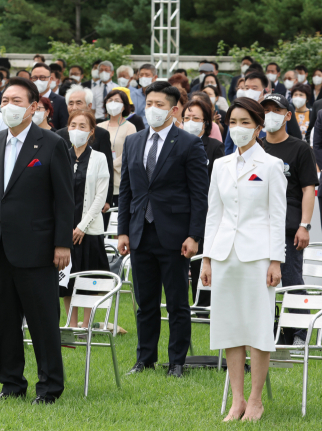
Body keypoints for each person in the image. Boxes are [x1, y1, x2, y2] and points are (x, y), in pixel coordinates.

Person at [0, 77, 74, 405]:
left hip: (37, 247)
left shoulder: (51, 144)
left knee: (43, 322)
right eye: (6, 100)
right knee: (5, 320)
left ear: (33, 108)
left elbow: (64, 199)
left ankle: (49, 387)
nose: (9, 106)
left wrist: (62, 243)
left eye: (18, 101)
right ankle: (11, 383)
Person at [201, 97, 287, 422]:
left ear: (259, 127)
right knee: (230, 327)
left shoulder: (271, 166)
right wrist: (207, 259)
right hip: (224, 256)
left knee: (257, 327)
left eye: (245, 123)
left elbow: (277, 217)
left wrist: (276, 261)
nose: (238, 128)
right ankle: (236, 400)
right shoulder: (220, 166)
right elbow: (214, 214)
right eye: (233, 122)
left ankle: (255, 400)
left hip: (258, 258)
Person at [117, 81, 208, 378]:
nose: (151, 109)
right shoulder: (134, 141)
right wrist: (122, 231)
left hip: (175, 235)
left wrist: (194, 235)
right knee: (145, 302)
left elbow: (199, 195)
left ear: (173, 109)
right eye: (149, 103)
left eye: (158, 104)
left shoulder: (188, 143)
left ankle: (177, 361)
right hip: (140, 231)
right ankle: (145, 358)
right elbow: (127, 190)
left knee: (177, 302)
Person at [261, 93, 318, 348]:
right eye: (266, 109)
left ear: (287, 115)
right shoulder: (256, 146)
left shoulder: (300, 148)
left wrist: (304, 225)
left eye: (276, 109)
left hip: (288, 226)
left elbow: (308, 189)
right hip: (258, 225)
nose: (270, 114)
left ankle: (300, 333)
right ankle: (268, 330)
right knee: (260, 280)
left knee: (292, 279)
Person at [61, 110, 111, 328]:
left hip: (89, 230)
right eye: (73, 125)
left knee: (88, 279)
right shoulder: (61, 154)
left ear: (91, 132)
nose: (76, 130)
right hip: (64, 228)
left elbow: (100, 197)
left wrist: (81, 226)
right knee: (66, 280)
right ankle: (71, 323)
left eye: (82, 126)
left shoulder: (99, 158)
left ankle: (87, 323)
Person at [181, 98, 224, 312]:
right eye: (186, 118)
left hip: (207, 210)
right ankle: (195, 302)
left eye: (195, 118)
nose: (190, 121)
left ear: (205, 123)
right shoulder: (175, 143)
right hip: (180, 210)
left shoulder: (214, 147)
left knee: (204, 255)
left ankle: (208, 302)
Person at [57, 85, 113, 222]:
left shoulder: (101, 134)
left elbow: (107, 168)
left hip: (92, 198)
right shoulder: (59, 135)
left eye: (78, 102)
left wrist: (107, 199)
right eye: (71, 103)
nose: (74, 107)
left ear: (89, 105)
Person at [99, 88, 137, 206]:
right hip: (100, 179)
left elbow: (129, 152)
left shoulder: (130, 127)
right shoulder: (99, 126)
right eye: (110, 100)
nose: (113, 103)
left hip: (119, 180)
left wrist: (109, 165)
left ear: (124, 106)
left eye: (117, 100)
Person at [31, 62, 68, 130]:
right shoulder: (28, 100)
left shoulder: (61, 101)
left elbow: (64, 129)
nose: (38, 81)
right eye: (35, 78)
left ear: (50, 79)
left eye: (42, 77)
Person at [131, 63, 157, 128]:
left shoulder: (160, 95)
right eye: (141, 75)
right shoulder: (133, 95)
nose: (143, 77)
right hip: (136, 131)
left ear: (155, 77)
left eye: (147, 75)